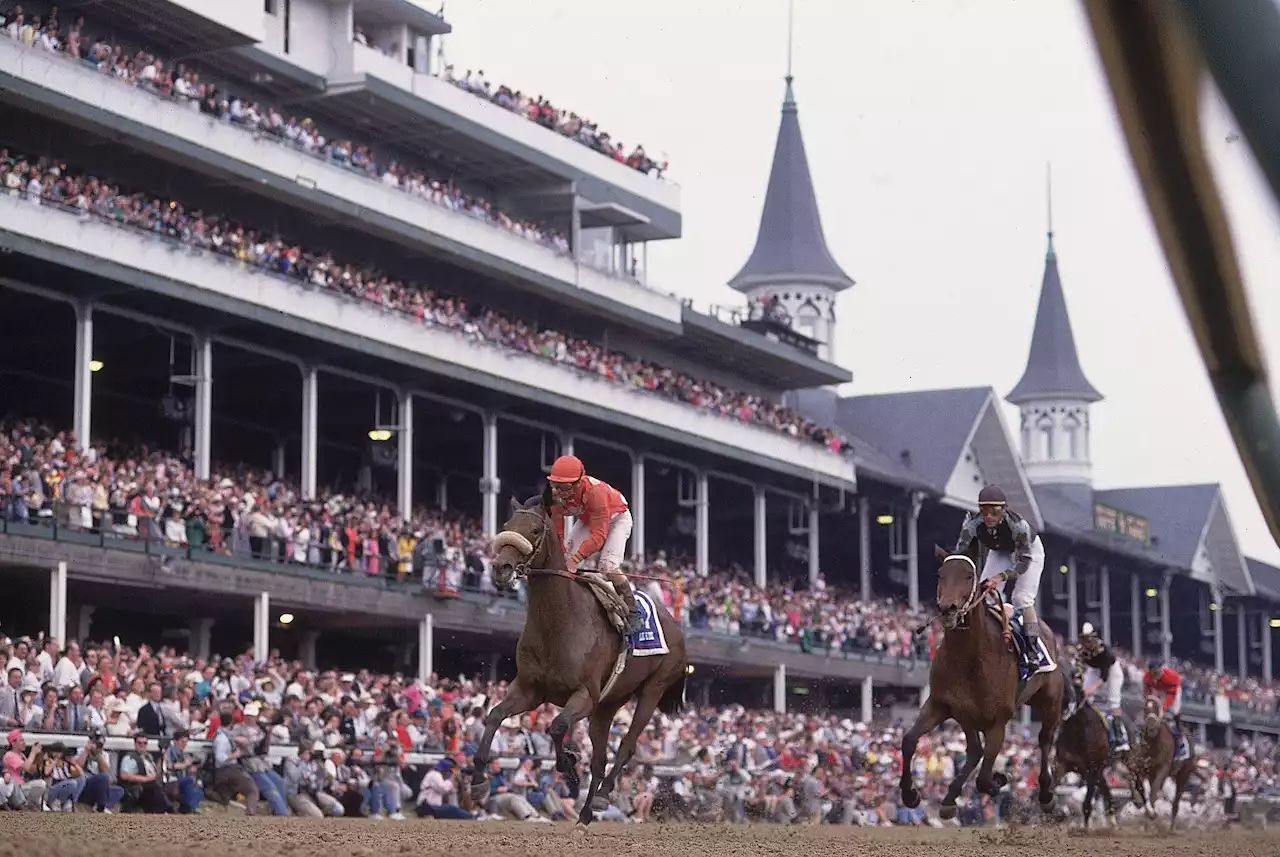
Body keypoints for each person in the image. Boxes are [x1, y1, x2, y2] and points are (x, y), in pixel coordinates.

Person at [954, 484, 1054, 674]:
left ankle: (1032, 651)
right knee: (984, 593)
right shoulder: (972, 524)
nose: (989, 516)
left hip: (1028, 553)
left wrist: (999, 577)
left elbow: (1023, 563)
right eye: (985, 511)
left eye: (995, 511)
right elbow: (961, 552)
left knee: (1021, 598)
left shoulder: (1019, 527)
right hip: (1000, 551)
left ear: (1004, 510)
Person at [544, 454, 642, 634]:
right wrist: (563, 551)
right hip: (588, 518)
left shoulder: (595, 493)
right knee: (564, 559)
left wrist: (576, 559)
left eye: (564, 487)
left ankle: (633, 609)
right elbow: (557, 526)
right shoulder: (555, 495)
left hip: (617, 518)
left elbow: (599, 535)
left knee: (608, 565)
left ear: (579, 482)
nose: (558, 492)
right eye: (554, 485)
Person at [1077, 622, 1129, 752]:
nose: (1086, 643)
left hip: (1111, 671)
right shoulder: (1080, 650)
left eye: (1088, 639)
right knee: (1084, 697)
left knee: (1113, 702)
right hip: (1094, 670)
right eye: (1084, 639)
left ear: (1093, 638)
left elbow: (1104, 678)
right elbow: (1079, 669)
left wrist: (1091, 689)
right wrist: (1079, 683)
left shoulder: (1105, 651)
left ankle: (1120, 737)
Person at [1143, 657, 1190, 760]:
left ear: (1161, 670)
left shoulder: (1173, 677)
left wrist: (1163, 708)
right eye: (1152, 673)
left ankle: (1180, 739)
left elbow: (1170, 697)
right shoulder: (1147, 677)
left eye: (1157, 672)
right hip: (1159, 690)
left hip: (1172, 691)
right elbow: (1146, 692)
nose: (1155, 675)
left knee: (1174, 711)